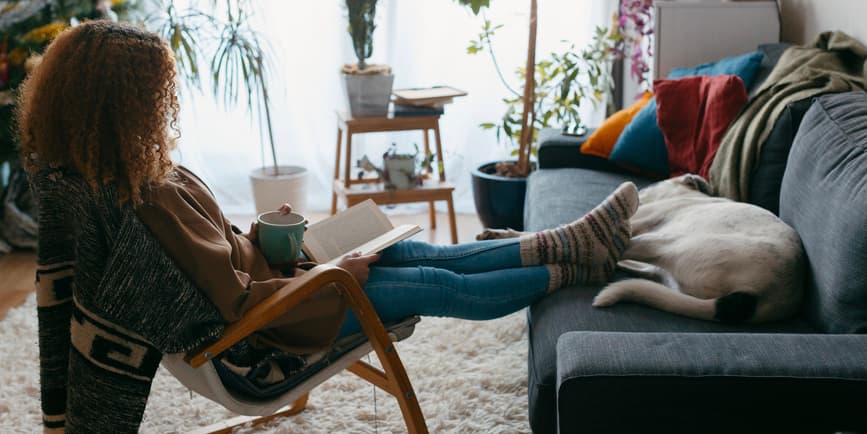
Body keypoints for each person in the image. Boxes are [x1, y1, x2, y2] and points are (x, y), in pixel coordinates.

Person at [18, 21, 639, 356]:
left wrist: (267, 233)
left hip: (290, 275)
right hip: (283, 314)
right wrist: (334, 275)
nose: (164, 107)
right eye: (154, 97)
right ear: (118, 107)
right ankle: (580, 271)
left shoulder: (144, 173)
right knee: (437, 284)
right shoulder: (144, 200)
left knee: (423, 253)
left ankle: (571, 241)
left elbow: (224, 252)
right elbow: (233, 302)